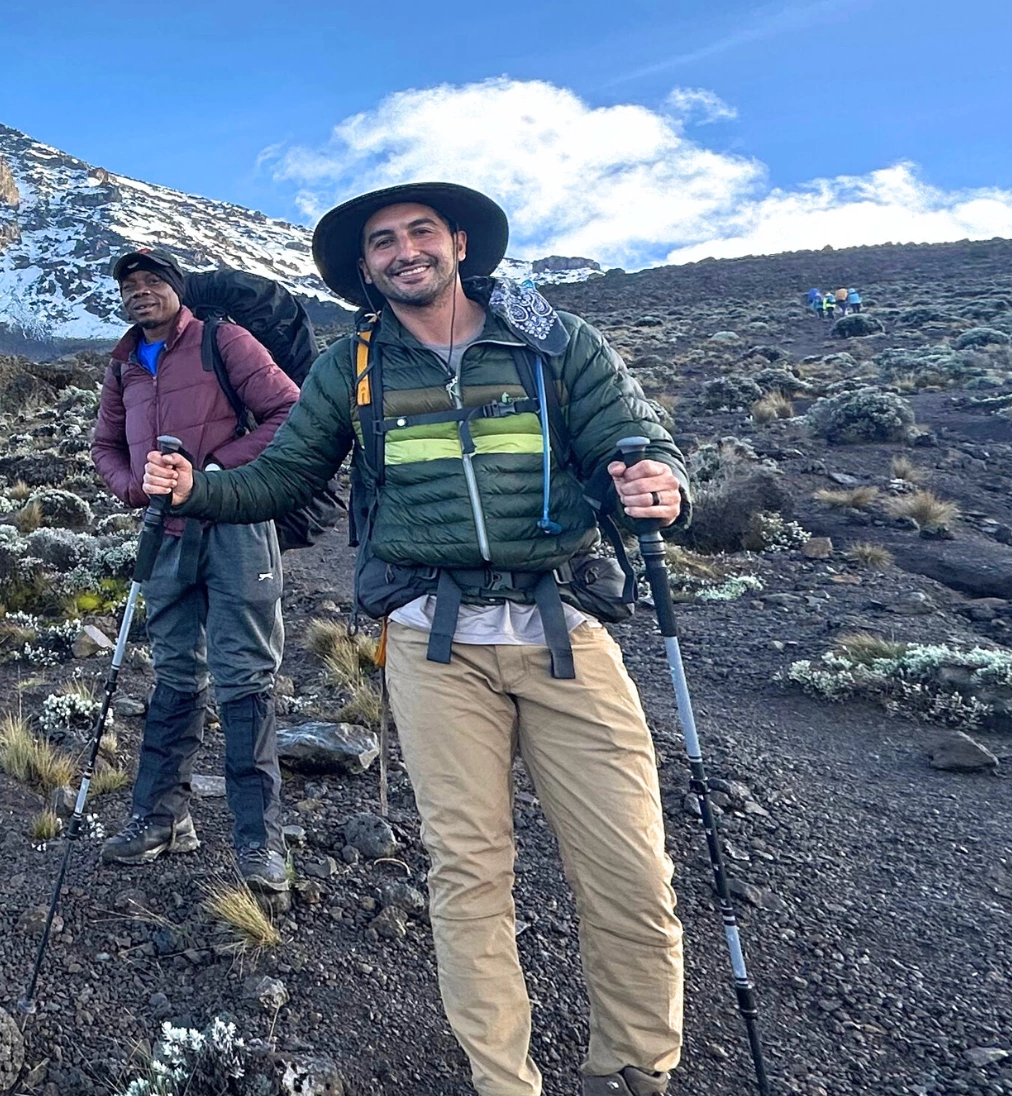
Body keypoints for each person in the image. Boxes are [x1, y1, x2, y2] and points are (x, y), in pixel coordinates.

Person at [140, 183, 691, 1096]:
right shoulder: (350, 363)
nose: (404, 252)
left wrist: (660, 482)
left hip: (565, 632)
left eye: (420, 233)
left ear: (459, 243)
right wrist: (197, 488)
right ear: (364, 268)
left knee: (630, 869)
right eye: (383, 242)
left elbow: (637, 438)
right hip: (434, 644)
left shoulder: (553, 340)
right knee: (468, 874)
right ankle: (502, 1082)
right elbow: (282, 476)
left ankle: (635, 1070)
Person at [89, 247, 303, 891]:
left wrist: (211, 472)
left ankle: (259, 843)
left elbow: (290, 411)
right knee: (175, 672)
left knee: (244, 677)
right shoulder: (125, 363)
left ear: (179, 290)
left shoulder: (221, 340)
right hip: (166, 534)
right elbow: (104, 445)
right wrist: (135, 487)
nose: (141, 292)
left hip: (235, 525)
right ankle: (159, 820)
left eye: (155, 281)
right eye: (130, 285)